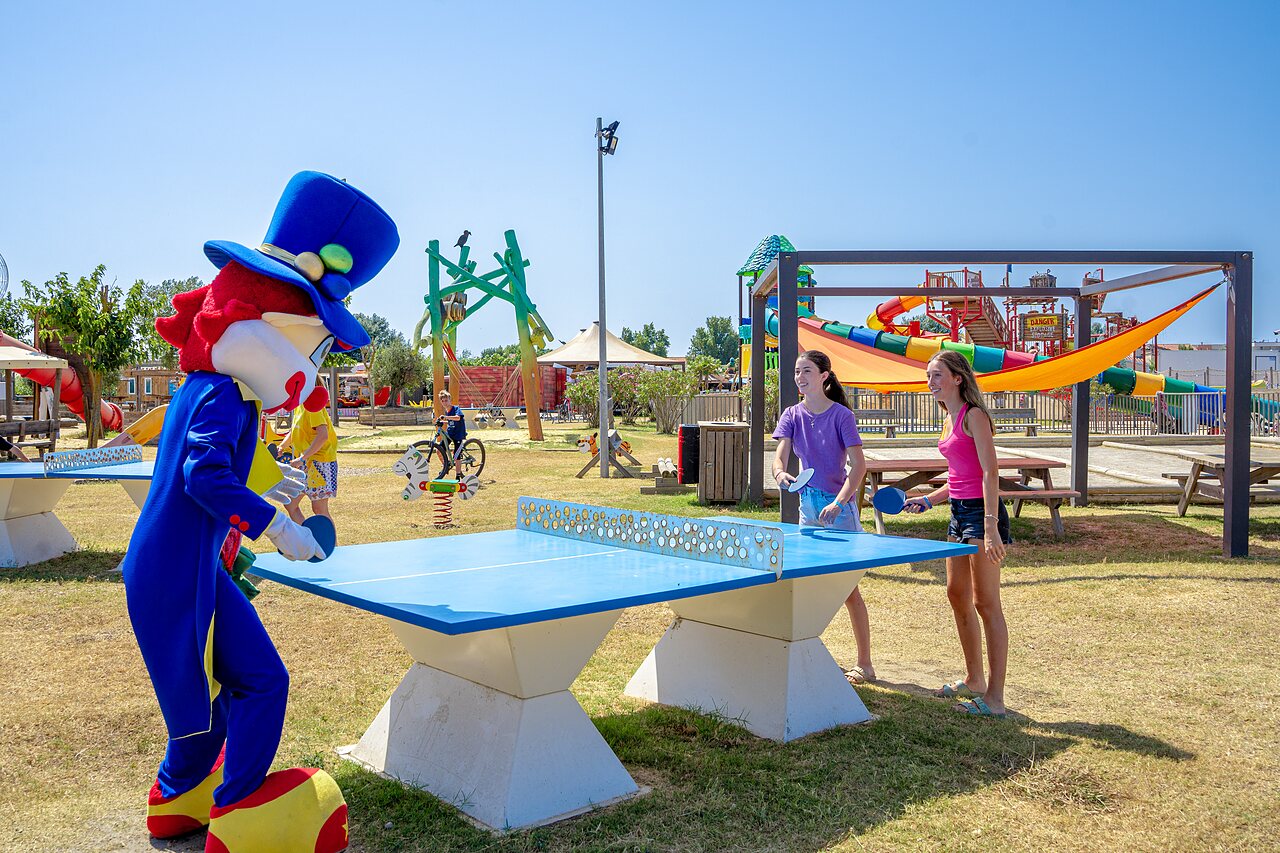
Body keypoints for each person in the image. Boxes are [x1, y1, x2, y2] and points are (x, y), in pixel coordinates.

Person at [904, 349, 1011, 717]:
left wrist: (992, 525)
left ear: (957, 378)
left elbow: (989, 473)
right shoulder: (948, 419)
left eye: (936, 375)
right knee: (956, 594)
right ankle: (974, 679)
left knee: (986, 602)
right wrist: (928, 501)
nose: (930, 382)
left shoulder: (975, 416)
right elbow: (957, 477)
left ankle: (995, 698)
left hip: (983, 514)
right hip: (957, 512)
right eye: (929, 376)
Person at [771, 349, 874, 683]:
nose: (800, 377)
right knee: (804, 585)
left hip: (838, 508)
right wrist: (779, 475)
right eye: (797, 372)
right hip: (807, 506)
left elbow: (859, 467)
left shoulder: (842, 416)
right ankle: (806, 657)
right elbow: (780, 457)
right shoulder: (791, 414)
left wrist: (841, 503)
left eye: (807, 371)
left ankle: (865, 664)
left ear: (824, 376)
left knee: (847, 590)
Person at [279, 377, 339, 523]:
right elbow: (295, 431)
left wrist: (302, 458)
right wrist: (282, 446)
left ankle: (332, 546)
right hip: (306, 463)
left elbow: (323, 435)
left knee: (319, 509)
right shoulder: (300, 406)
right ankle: (309, 539)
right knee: (290, 504)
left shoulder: (314, 407)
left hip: (320, 463)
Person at [436, 390, 466, 467]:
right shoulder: (447, 411)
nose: (444, 402)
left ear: (450, 400)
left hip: (458, 434)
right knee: (438, 450)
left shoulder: (456, 409)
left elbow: (458, 418)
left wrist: (446, 417)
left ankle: (458, 474)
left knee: (456, 455)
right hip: (450, 433)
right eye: (442, 401)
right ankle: (446, 465)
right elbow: (451, 422)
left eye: (446, 400)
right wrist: (443, 422)